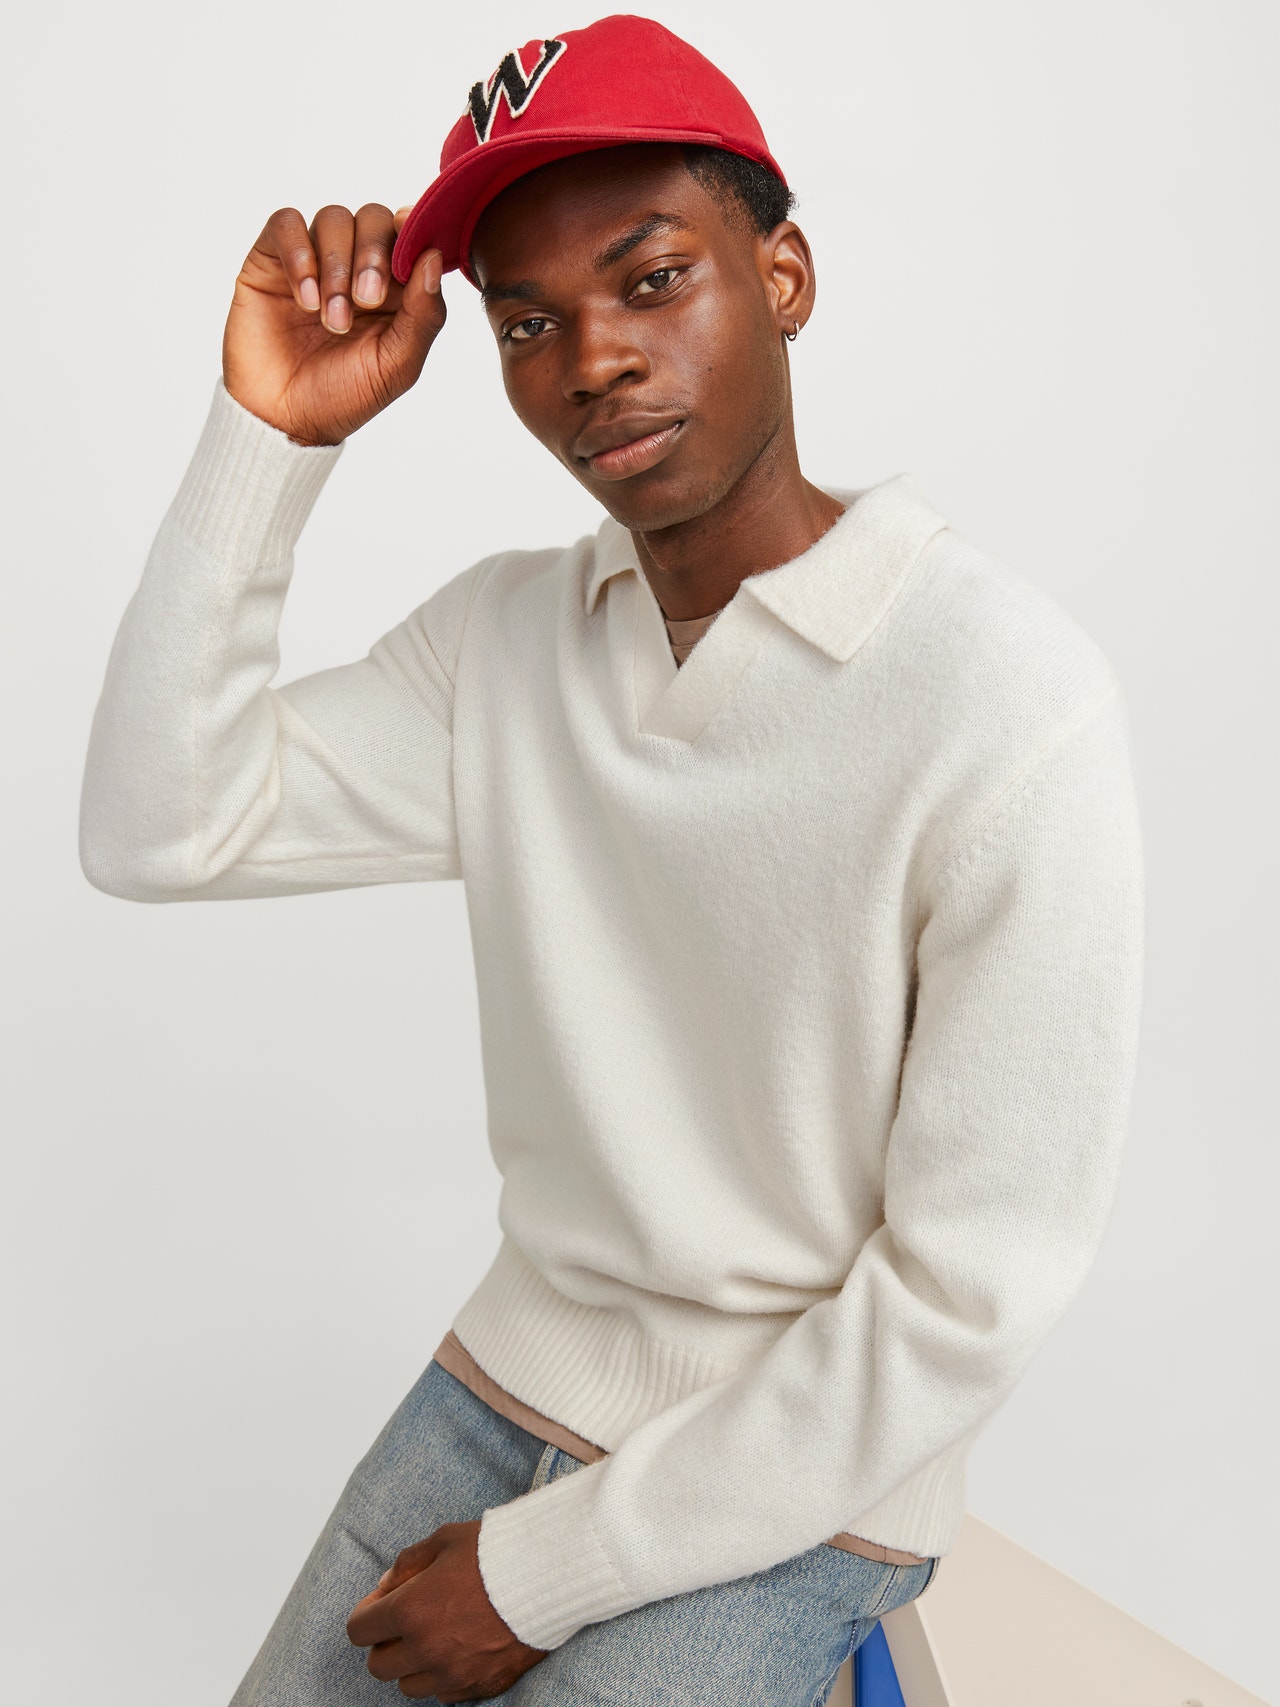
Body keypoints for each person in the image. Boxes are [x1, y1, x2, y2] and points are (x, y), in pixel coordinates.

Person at [77, 14, 1145, 1706]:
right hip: (504, 1381)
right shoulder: (510, 643)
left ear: (784, 275)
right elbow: (158, 826)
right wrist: (268, 440)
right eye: (527, 322)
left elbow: (966, 1297)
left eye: (653, 280)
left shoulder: (1008, 702)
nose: (591, 360)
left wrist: (544, 1573)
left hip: (815, 1476)